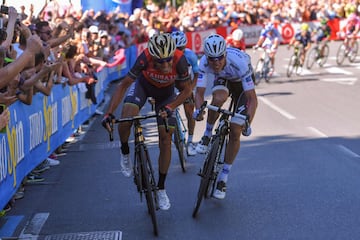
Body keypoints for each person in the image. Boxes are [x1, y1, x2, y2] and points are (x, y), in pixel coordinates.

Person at [102, 33, 192, 210]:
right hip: (143, 87)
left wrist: (171, 107)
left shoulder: (180, 60)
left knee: (166, 139)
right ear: (153, 57)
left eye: (168, 60)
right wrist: (109, 113)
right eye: (160, 62)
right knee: (127, 117)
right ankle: (125, 151)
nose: (165, 66)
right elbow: (123, 85)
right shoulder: (144, 58)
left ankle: (161, 188)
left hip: (166, 95)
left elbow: (187, 90)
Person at [193, 34, 257, 200]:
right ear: (207, 57)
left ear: (225, 55)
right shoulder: (204, 63)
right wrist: (199, 109)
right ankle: (207, 135)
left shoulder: (240, 64)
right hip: (224, 80)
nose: (216, 62)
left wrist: (247, 121)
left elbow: (252, 99)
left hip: (241, 85)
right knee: (218, 99)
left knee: (235, 130)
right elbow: (199, 93)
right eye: (212, 59)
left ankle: (223, 177)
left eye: (219, 58)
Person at [171, 30, 199, 156]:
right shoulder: (167, 56)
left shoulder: (190, 55)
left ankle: (190, 141)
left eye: (181, 48)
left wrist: (191, 88)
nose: (178, 51)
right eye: (175, 48)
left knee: (189, 113)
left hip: (185, 84)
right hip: (171, 83)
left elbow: (197, 74)